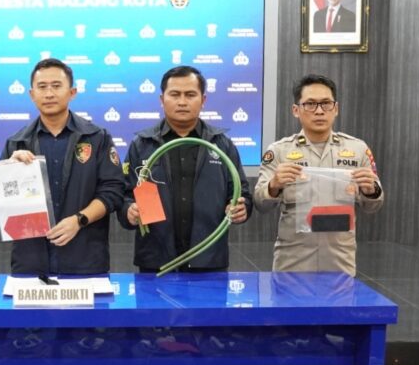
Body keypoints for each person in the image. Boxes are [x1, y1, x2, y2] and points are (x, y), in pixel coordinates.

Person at [119, 66, 252, 272]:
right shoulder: (143, 144)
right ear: (162, 99)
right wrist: (129, 211)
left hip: (208, 261)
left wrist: (242, 208)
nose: (182, 102)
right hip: (155, 261)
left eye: (190, 95)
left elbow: (241, 194)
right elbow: (125, 195)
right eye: (175, 94)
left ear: (203, 100)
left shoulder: (221, 144)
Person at [0, 58, 126, 275]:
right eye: (42, 87)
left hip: (84, 260)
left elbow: (113, 191)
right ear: (32, 94)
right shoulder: (16, 143)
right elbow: (2, 206)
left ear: (72, 92)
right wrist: (9, 172)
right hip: (31, 263)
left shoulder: (97, 137)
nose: (49, 94)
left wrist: (80, 220)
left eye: (56, 86)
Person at [254, 74, 384, 275]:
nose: (319, 111)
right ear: (296, 110)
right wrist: (274, 185)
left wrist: (371, 191)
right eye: (310, 104)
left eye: (326, 104)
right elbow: (260, 203)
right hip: (293, 261)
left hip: (339, 261)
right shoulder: (279, 151)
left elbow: (374, 205)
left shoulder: (358, 149)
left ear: (336, 108)